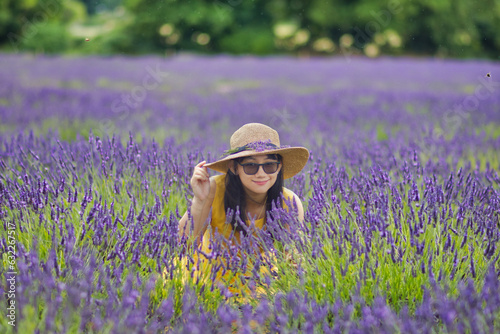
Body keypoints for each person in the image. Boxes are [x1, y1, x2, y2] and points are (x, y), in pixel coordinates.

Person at [177, 122, 309, 297]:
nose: (261, 174)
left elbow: (294, 262)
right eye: (251, 166)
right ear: (234, 168)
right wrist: (200, 201)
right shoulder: (214, 189)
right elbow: (183, 244)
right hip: (207, 276)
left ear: (279, 167)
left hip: (255, 281)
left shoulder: (289, 202)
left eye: (269, 165)